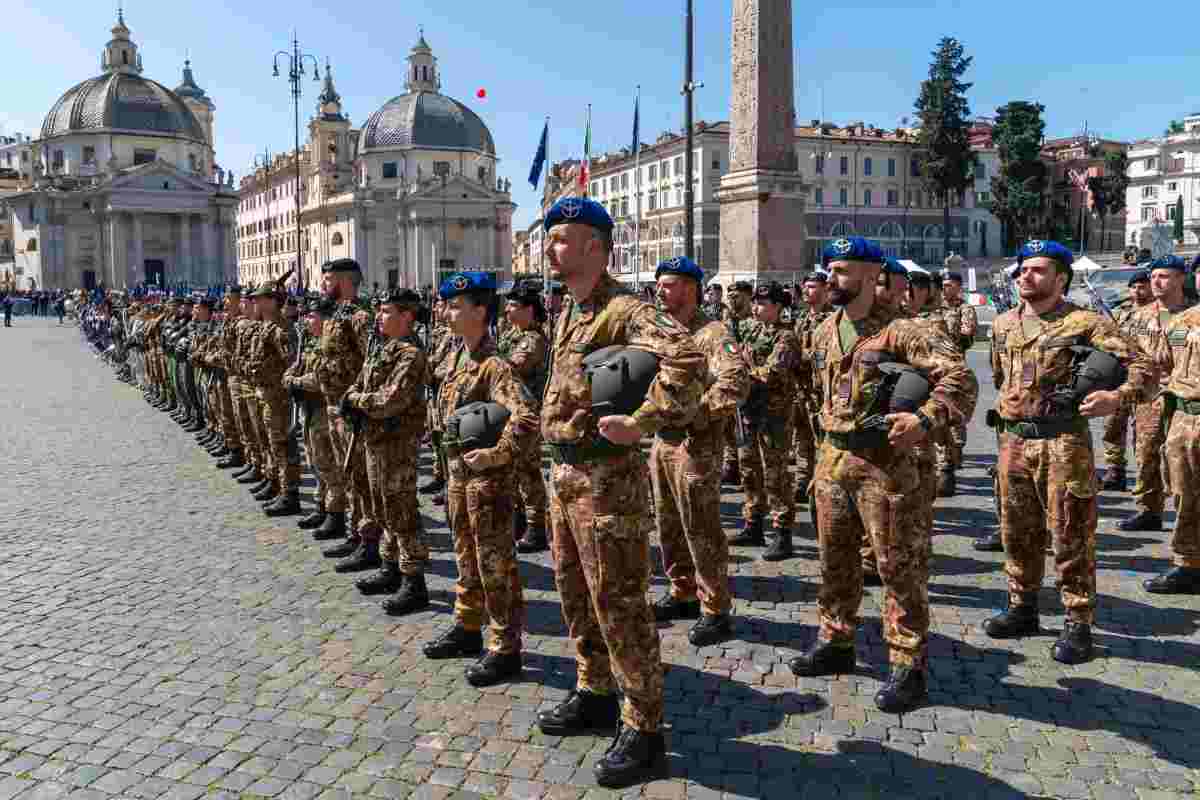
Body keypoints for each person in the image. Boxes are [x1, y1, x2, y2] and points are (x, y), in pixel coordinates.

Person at [535, 197, 705, 787]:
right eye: (550, 237)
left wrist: (646, 420)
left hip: (607, 482)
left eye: (562, 238)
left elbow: (685, 354)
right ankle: (595, 690)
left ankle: (644, 727)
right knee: (574, 593)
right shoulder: (571, 310)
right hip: (564, 476)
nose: (551, 247)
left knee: (619, 601)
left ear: (595, 248)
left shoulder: (623, 308)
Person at [791, 237, 976, 713]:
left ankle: (907, 662)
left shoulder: (903, 331)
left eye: (843, 270)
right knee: (834, 559)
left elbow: (959, 378)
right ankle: (836, 639)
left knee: (898, 567)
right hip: (833, 461)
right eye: (829, 269)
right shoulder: (824, 329)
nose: (830, 278)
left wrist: (926, 420)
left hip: (886, 468)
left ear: (873, 276)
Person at [983, 240, 1152, 664]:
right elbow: (1001, 377)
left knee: (1071, 532)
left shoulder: (1085, 322)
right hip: (1014, 441)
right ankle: (1022, 607)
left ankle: (1078, 622)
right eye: (1022, 268)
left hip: (1064, 442)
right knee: (1016, 530)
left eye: (1038, 270)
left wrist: (1118, 398)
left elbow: (1143, 367)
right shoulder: (1003, 323)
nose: (1026, 275)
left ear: (1061, 278)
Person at [423, 272, 538, 687]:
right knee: (465, 558)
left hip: (487, 484)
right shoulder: (458, 356)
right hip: (458, 478)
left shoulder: (495, 364)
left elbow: (526, 418)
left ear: (479, 311)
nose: (446, 312)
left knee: (496, 566)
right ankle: (468, 625)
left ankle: (506, 648)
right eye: (446, 304)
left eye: (455, 306)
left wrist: (496, 454)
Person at [648, 256, 749, 646]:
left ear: (690, 288)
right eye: (659, 284)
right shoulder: (662, 332)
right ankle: (682, 591)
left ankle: (715, 608)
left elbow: (735, 383)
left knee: (701, 529)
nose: (660, 291)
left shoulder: (712, 334)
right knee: (668, 524)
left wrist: (697, 414)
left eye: (668, 284)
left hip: (696, 446)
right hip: (663, 442)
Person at [341, 289, 434, 615]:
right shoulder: (383, 349)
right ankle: (390, 566)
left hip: (397, 444)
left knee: (402, 512)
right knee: (382, 507)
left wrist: (356, 401)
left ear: (406, 316)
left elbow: (388, 400)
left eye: (386, 311)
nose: (378, 317)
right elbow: (361, 383)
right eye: (378, 311)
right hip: (375, 440)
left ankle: (414, 581)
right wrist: (354, 395)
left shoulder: (410, 355)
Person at [1118, 258, 1194, 532]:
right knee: (1146, 451)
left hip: (1182, 395)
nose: (1157, 282)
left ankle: (1185, 514)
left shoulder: (1191, 313)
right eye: (1154, 277)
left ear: (1181, 279)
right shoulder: (1141, 316)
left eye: (1165, 276)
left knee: (1182, 457)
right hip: (1149, 395)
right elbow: (1129, 353)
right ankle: (1149, 509)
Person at [728, 282, 801, 561]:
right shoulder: (753, 330)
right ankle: (753, 524)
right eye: (755, 303)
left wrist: (747, 368)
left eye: (762, 304)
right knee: (749, 469)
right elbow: (737, 358)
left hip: (774, 414)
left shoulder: (786, 338)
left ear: (778, 307)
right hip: (749, 411)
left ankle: (782, 534)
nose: (755, 308)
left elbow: (772, 373)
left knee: (775, 474)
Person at [314, 259, 378, 566]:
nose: (323, 285)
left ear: (344, 281)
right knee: (348, 476)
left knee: (361, 479)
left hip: (352, 412)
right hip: (333, 406)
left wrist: (359, 403)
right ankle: (356, 534)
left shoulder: (360, 317)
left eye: (328, 279)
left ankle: (369, 543)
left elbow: (372, 364)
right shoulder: (336, 316)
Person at [1145, 255, 1200, 593]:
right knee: (1184, 492)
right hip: (1184, 418)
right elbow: (1160, 364)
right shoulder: (1183, 321)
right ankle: (1188, 564)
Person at [496, 281, 551, 553]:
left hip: (527, 414)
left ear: (529, 309)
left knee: (528, 472)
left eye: (513, 306)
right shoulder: (510, 334)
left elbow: (509, 368)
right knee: (514, 470)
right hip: (509, 412)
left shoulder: (534, 339)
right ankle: (518, 520)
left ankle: (536, 526)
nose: (507, 310)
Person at [1100, 270, 1153, 491]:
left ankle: (1147, 479)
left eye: (1142, 286)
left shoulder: (1160, 313)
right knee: (1112, 426)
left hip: (1146, 380)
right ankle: (1115, 471)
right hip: (1119, 378)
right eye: (1134, 286)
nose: (1138, 290)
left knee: (1144, 433)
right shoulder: (1120, 313)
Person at [935, 265, 979, 497]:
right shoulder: (933, 307)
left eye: (949, 285)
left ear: (959, 287)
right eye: (942, 285)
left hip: (954, 367)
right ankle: (944, 462)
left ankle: (956, 450)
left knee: (954, 412)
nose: (945, 288)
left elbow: (967, 334)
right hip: (933, 367)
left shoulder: (964, 308)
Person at [792, 271, 833, 506]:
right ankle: (802, 480)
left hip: (822, 391)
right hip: (801, 388)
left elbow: (825, 356)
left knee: (822, 439)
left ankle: (822, 482)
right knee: (801, 439)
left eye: (812, 287)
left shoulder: (832, 320)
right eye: (805, 287)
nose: (807, 291)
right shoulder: (801, 319)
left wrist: (803, 356)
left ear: (826, 290)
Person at [720, 281, 754, 484]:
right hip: (728, 379)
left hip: (751, 382)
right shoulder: (725, 323)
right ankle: (730, 464)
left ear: (749, 297)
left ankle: (747, 469)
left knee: (746, 430)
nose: (732, 300)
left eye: (737, 296)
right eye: (730, 296)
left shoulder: (754, 323)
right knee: (727, 426)